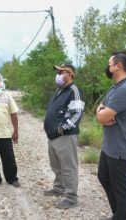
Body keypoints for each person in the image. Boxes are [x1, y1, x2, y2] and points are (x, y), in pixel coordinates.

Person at [96, 51, 126, 220]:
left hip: (120, 147)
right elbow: (100, 109)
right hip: (110, 145)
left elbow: (101, 115)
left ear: (118, 66)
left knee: (121, 189)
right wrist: (102, 113)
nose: (107, 67)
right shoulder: (117, 86)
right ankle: (118, 215)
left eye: (109, 64)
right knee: (104, 177)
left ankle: (121, 216)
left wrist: (102, 114)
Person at [43, 63, 85, 209]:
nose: (58, 75)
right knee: (56, 165)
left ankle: (71, 197)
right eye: (58, 72)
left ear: (70, 74)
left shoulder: (74, 90)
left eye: (62, 72)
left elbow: (77, 113)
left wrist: (62, 128)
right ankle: (59, 188)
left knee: (68, 167)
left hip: (65, 137)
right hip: (53, 136)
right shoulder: (60, 90)